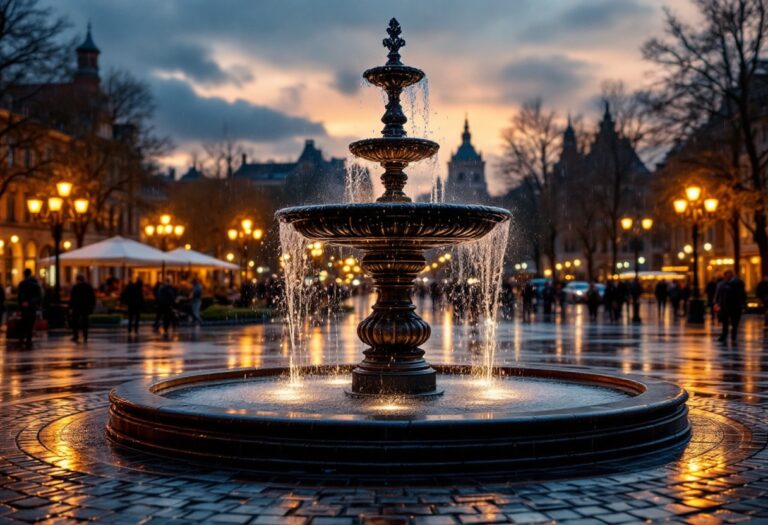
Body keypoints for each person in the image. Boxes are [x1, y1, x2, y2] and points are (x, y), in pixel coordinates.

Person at [715, 270, 746, 343]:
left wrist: (742, 303)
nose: (728, 276)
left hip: (735, 306)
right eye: (727, 275)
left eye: (730, 275)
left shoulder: (738, 283)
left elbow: (742, 294)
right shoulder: (721, 284)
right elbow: (718, 294)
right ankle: (724, 336)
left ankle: (733, 337)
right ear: (725, 276)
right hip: (724, 306)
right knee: (725, 322)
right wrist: (716, 303)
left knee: (734, 323)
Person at [17, 268, 42, 348]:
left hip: (24, 307)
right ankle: (28, 340)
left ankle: (22, 339)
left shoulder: (21, 284)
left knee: (23, 323)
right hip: (31, 307)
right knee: (30, 324)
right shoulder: (34, 284)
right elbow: (39, 296)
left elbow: (19, 296)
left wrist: (22, 303)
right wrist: (31, 302)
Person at [69, 274, 96, 343]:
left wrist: (71, 307)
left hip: (77, 307)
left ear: (77, 280)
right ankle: (85, 336)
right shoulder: (88, 287)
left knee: (75, 322)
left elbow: (72, 298)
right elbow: (92, 297)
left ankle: (76, 336)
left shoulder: (76, 287)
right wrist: (92, 306)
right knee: (85, 322)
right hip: (85, 307)